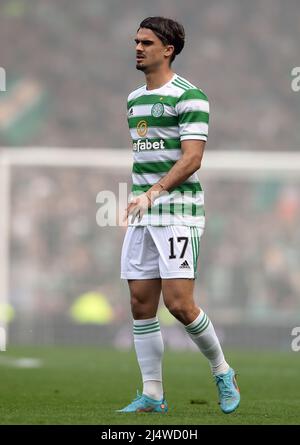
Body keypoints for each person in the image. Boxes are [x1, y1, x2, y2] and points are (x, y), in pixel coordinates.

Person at [118, 16, 240, 414]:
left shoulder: (191, 96)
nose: (138, 47)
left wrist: (154, 192)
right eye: (136, 41)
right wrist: (141, 198)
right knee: (140, 302)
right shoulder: (135, 98)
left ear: (168, 49)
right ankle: (153, 394)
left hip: (177, 213)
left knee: (180, 304)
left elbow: (192, 159)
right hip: (144, 212)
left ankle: (223, 371)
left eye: (147, 42)